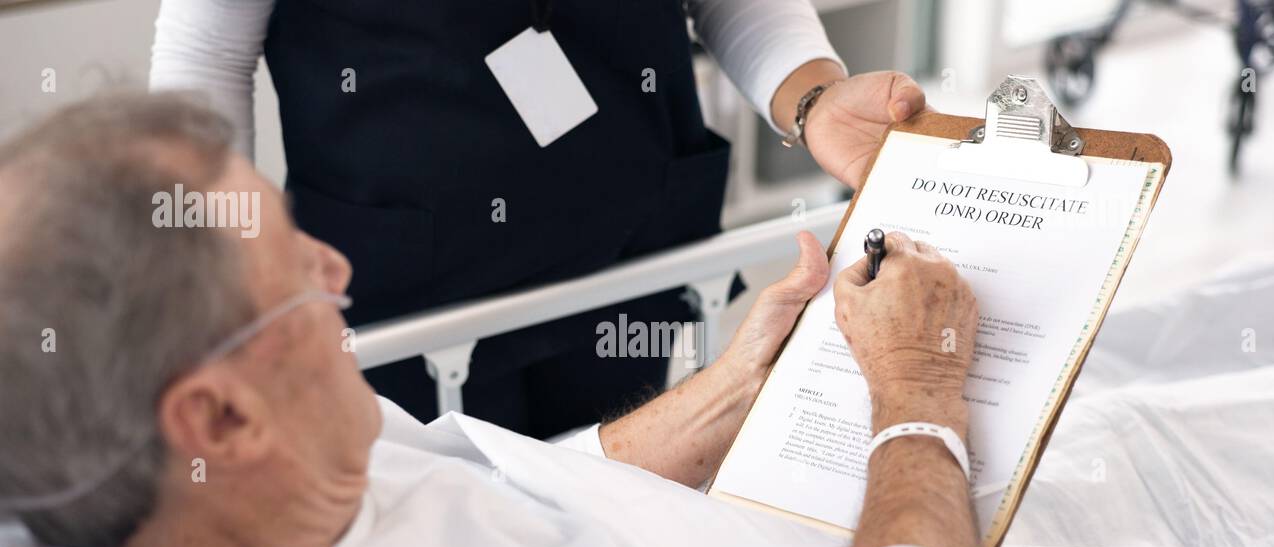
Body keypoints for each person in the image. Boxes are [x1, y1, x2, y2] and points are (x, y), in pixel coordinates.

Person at [0, 96, 979, 547]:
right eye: (293, 272)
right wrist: (919, 388)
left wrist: (735, 389)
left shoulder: (240, 473)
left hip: (801, 537)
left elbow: (512, 481)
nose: (338, 267)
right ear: (218, 416)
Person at [149, 0, 928, 436]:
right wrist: (224, 283)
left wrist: (817, 99)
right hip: (402, 290)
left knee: (621, 526)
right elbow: (204, 60)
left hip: (628, 260)